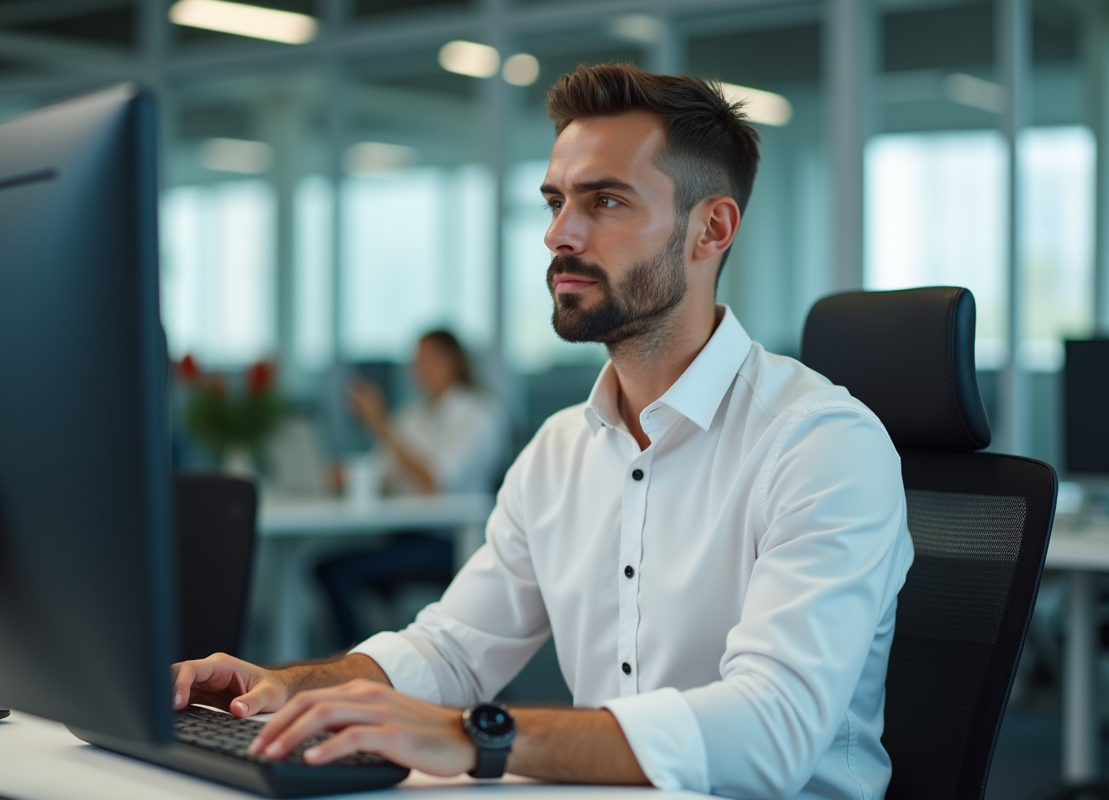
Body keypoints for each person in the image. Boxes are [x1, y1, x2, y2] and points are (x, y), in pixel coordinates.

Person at [173, 62, 913, 799]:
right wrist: (290, 686)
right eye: (556, 201)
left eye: (606, 201)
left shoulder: (822, 444)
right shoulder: (560, 450)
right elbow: (453, 651)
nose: (560, 233)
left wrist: (471, 737)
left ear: (710, 229)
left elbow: (772, 729)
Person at [317, 329, 507, 646]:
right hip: (405, 537)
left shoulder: (478, 415)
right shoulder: (413, 414)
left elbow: (436, 481)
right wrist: (340, 476)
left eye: (426, 360)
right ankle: (366, 662)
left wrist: (379, 423)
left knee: (339, 573)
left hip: (454, 545)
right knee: (325, 567)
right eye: (415, 362)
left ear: (453, 362)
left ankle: (356, 671)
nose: (418, 370)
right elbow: (379, 472)